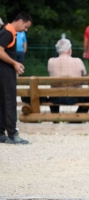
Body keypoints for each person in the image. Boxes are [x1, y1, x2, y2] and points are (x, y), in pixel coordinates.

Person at [0, 12, 32, 144]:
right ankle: (13, 134)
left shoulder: (6, 30)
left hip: (3, 72)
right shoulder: (8, 32)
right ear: (20, 21)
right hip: (5, 73)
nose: (26, 29)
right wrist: (14, 63)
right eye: (26, 26)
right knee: (10, 102)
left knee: (2, 102)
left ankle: (1, 133)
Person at [48, 38, 89, 119]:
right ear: (69, 50)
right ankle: (76, 118)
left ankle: (55, 118)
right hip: (75, 97)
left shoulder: (51, 61)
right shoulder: (78, 61)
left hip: (56, 98)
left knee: (52, 95)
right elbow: (84, 75)